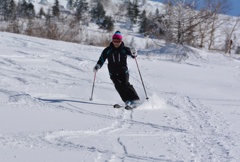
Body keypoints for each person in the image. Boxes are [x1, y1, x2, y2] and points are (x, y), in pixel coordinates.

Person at [93, 31, 140, 106]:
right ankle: (127, 100)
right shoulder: (107, 50)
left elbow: (133, 55)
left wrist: (134, 53)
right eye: (115, 40)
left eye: (118, 41)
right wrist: (98, 66)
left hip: (124, 72)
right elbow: (102, 59)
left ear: (121, 41)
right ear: (112, 40)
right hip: (113, 73)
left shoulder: (125, 49)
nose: (116, 42)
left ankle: (135, 100)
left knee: (125, 85)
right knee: (118, 85)